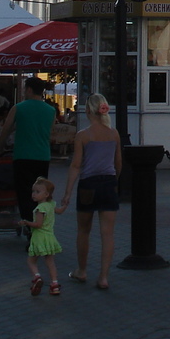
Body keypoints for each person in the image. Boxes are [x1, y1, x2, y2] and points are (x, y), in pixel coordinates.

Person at [60, 93, 122, 291]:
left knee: (83, 231)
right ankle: (103, 277)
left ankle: (82, 270)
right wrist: (115, 180)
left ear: (88, 111)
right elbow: (118, 162)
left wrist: (68, 192)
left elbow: (76, 165)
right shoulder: (114, 134)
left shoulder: (83, 136)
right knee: (108, 234)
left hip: (88, 185)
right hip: (109, 184)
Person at [0, 77, 56, 223]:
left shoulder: (18, 108)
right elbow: (50, 132)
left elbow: (6, 129)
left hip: (23, 156)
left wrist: (0, 146)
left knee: (25, 194)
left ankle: (29, 225)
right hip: (42, 156)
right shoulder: (51, 110)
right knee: (40, 193)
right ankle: (40, 223)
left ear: (29, 89)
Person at [20, 177, 62, 296]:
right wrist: (65, 205)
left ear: (46, 194)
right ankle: (54, 284)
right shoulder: (51, 205)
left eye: (37, 192)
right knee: (50, 261)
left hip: (39, 237)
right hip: (49, 237)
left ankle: (37, 277)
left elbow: (38, 224)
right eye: (33, 191)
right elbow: (59, 211)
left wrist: (26, 222)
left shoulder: (40, 209)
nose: (34, 194)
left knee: (31, 260)